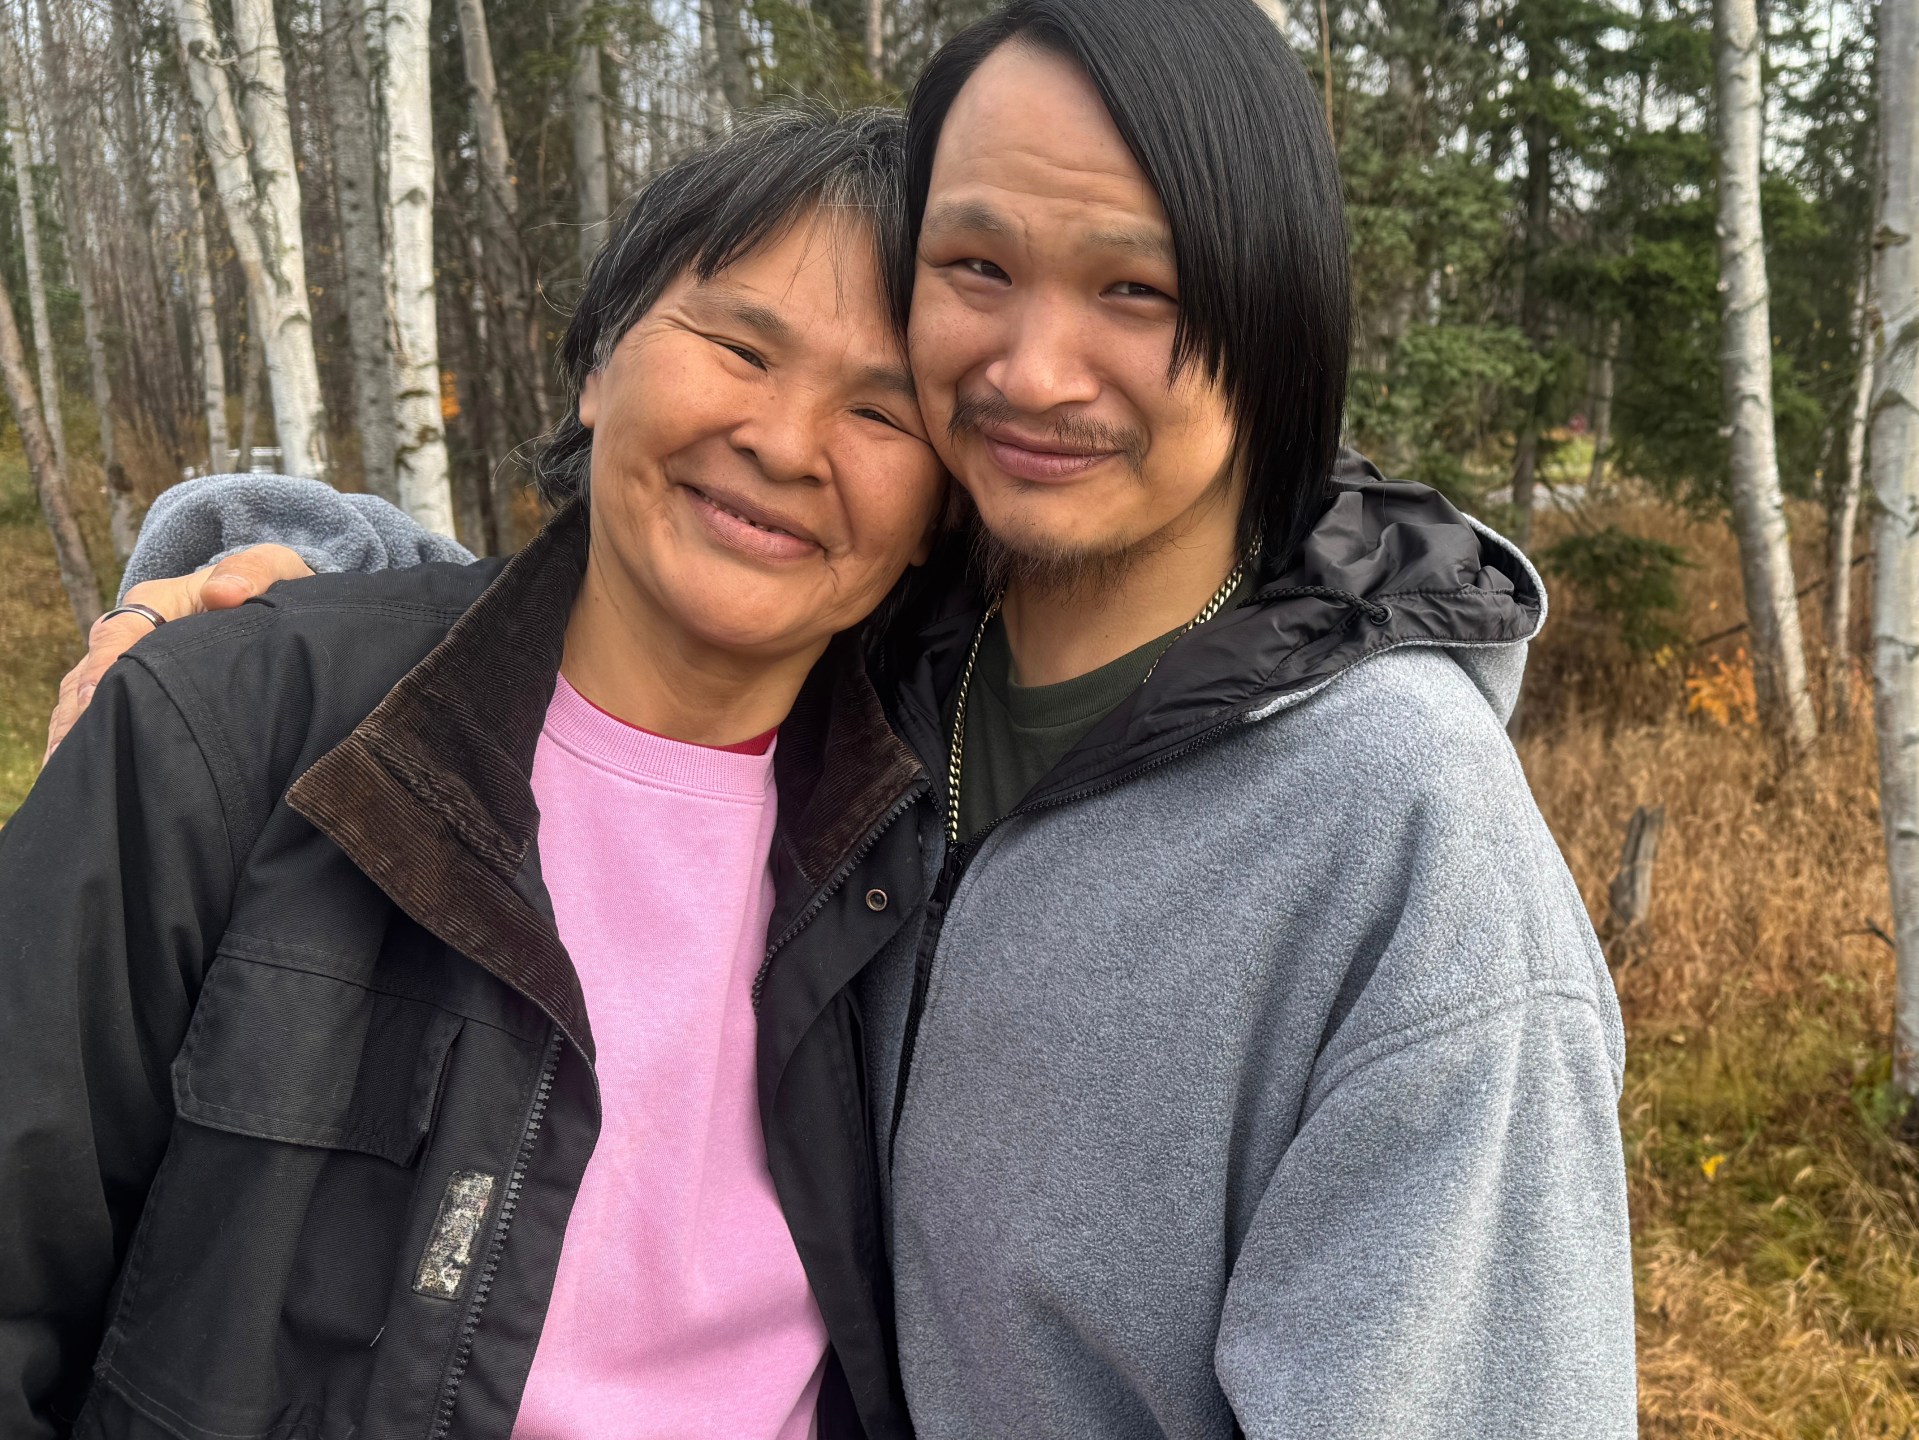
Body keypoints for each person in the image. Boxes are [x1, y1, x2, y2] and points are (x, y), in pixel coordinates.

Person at [48, 2, 1641, 1435]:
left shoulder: (1403, 847)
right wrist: (288, 601)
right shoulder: (905, 685)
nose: (1031, 364)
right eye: (978, 267)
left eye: (1136, 287)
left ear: (1277, 319)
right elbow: (613, 663)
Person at [2, 111, 941, 1438]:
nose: (788, 443)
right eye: (741, 347)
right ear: (600, 364)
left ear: (937, 514)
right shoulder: (237, 733)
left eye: (882, 410)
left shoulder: (937, 857)